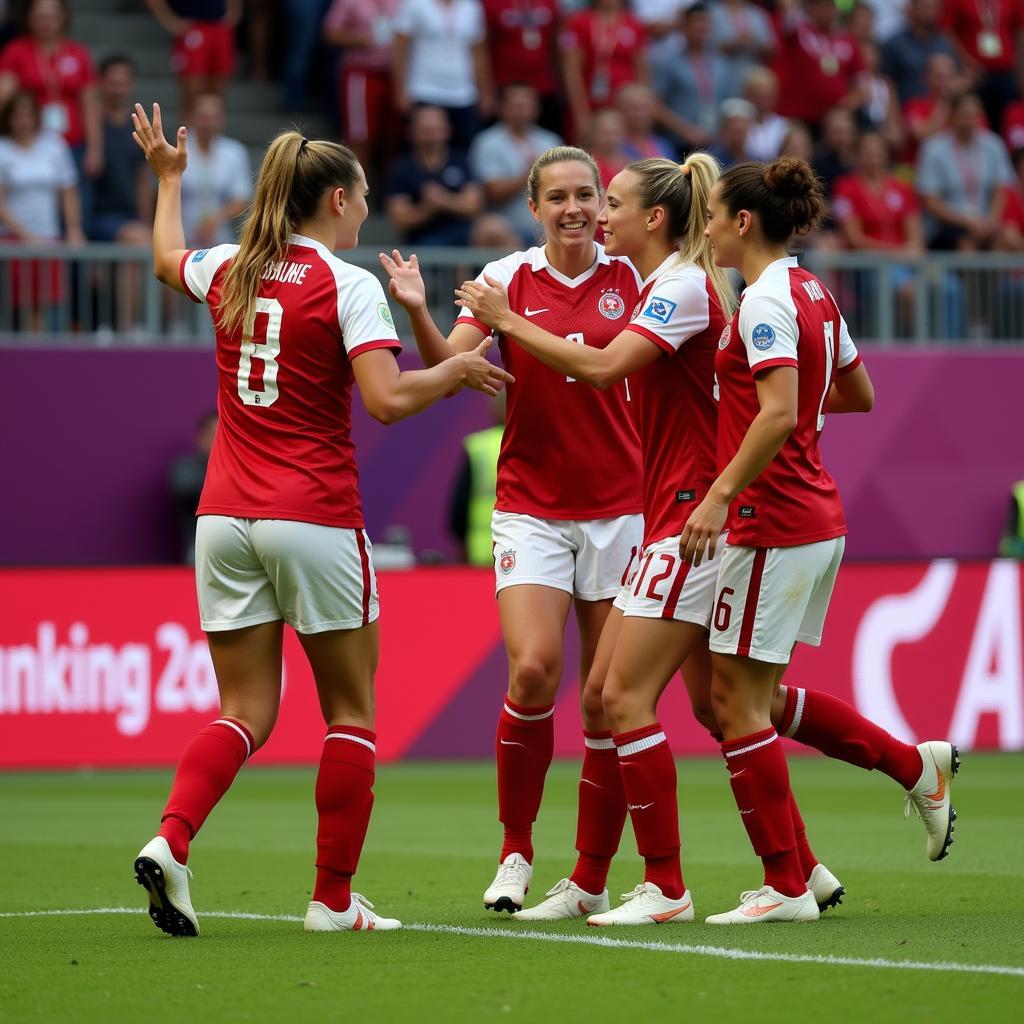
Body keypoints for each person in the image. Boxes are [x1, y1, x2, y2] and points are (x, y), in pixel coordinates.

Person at [128, 101, 510, 937]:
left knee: (244, 710)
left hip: (224, 518)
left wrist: (168, 180)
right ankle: (333, 901)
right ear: (335, 201)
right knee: (349, 713)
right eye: (364, 193)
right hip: (314, 516)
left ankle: (172, 837)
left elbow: (163, 260)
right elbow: (384, 401)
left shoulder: (233, 265)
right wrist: (458, 372)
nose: (369, 205)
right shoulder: (347, 283)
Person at [687, 156, 959, 923]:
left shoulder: (766, 300)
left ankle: (784, 886)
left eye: (712, 215)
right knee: (758, 699)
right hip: (810, 519)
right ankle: (914, 766)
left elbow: (776, 413)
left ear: (743, 223)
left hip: (772, 521)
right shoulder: (812, 289)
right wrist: (794, 413)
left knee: (734, 706)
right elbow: (858, 392)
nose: (706, 228)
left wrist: (719, 493)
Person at [380, 145, 644, 915]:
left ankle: (590, 876)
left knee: (605, 700)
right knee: (531, 670)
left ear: (604, 204)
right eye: (556, 196)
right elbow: (448, 370)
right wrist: (420, 311)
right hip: (531, 505)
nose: (573, 208)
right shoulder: (505, 279)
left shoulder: (636, 276)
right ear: (534, 207)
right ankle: (515, 853)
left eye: (585, 195)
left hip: (624, 510)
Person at [0, 89, 82, 330]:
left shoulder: (54, 145)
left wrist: (74, 229)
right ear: (9, 119)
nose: (23, 122)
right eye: (18, 116)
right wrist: (25, 236)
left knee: (46, 305)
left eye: (28, 115)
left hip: (49, 239)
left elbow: (68, 191)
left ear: (37, 117)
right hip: (12, 241)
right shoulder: (2, 149)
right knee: (18, 307)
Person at [386, 104, 519, 248]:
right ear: (411, 132)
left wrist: (442, 200)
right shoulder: (401, 167)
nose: (431, 135)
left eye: (436, 129)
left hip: (465, 232)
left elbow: (475, 204)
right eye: (425, 130)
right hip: (422, 239)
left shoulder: (460, 160)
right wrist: (426, 209)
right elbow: (399, 217)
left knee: (494, 226)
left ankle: (523, 270)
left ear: (448, 130)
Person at [0, 0, 101, 180]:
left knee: (76, 201)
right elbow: (4, 100)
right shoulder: (15, 51)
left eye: (51, 16)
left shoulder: (78, 53)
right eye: (40, 16)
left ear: (63, 18)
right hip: (29, 143)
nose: (46, 21)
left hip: (73, 143)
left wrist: (94, 148)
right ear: (29, 19)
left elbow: (90, 105)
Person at [391, 0, 494, 152]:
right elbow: (400, 48)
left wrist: (485, 92)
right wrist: (400, 90)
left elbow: (478, 52)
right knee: (422, 147)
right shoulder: (415, 4)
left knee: (464, 148)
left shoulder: (471, 6)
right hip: (425, 89)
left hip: (463, 92)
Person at [917, 90, 1015, 250]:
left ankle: (999, 276)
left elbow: (1000, 191)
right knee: (967, 243)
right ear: (953, 116)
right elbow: (931, 201)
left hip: (984, 222)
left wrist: (990, 220)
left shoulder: (993, 145)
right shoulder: (933, 148)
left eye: (974, 115)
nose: (970, 121)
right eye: (965, 115)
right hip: (947, 224)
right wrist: (967, 222)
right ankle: (969, 276)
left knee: (1006, 238)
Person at [468, 83, 562, 246]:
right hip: (509, 228)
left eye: (528, 105)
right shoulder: (488, 142)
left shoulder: (551, 141)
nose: (523, 111)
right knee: (490, 228)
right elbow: (493, 193)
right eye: (517, 106)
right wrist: (531, 173)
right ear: (502, 108)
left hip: (548, 227)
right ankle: (519, 271)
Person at [322, 0, 400, 184]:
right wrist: (358, 39)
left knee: (394, 135)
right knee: (360, 136)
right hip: (362, 72)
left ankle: (392, 192)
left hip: (396, 75)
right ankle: (360, 195)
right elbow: (329, 32)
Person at [560, 0, 649, 144]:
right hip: (589, 104)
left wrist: (641, 111)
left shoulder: (634, 24)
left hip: (623, 109)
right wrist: (581, 115)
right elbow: (571, 72)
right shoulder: (579, 22)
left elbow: (642, 72)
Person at [772, 0, 865, 134]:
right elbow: (788, 8)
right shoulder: (799, 30)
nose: (827, 10)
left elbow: (861, 84)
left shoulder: (848, 40)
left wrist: (845, 107)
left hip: (833, 121)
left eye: (831, 5)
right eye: (821, 4)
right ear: (810, 8)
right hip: (798, 117)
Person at [652, 3, 731, 152]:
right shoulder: (669, 63)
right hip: (679, 144)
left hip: (714, 144)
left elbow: (727, 103)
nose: (701, 28)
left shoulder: (721, 63)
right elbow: (655, 104)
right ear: (684, 27)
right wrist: (686, 131)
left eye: (705, 22)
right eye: (696, 22)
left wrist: (722, 133)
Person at [145, 1, 240, 119]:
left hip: (220, 26)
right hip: (192, 26)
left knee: (218, 92)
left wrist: (234, 9)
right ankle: (187, 135)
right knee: (192, 90)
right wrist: (169, 20)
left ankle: (213, 136)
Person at [179, 92, 251, 248]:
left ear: (221, 119)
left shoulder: (235, 152)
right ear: (192, 117)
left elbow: (242, 199)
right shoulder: (179, 150)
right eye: (203, 116)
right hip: (182, 238)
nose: (208, 123)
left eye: (213, 117)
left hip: (219, 240)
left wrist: (216, 219)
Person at [483, 0, 562, 135]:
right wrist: (486, 90)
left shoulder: (550, 3)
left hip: (544, 85)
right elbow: (484, 48)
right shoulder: (492, 3)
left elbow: (556, 44)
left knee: (546, 138)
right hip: (505, 84)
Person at [882, 0, 958, 105]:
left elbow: (958, 77)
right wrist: (893, 117)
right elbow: (887, 82)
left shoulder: (946, 43)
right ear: (912, 9)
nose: (931, 13)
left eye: (935, 8)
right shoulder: (894, 44)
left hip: (940, 113)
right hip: (905, 112)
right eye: (926, 7)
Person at [170, 410, 218, 564]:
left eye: (223, 434)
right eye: (212, 434)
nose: (217, 440)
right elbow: (185, 489)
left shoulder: (244, 468)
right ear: (200, 437)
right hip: (198, 548)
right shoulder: (185, 468)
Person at [616, 82, 675, 162]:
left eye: (645, 108)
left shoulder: (663, 144)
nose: (640, 114)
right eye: (633, 108)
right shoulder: (614, 144)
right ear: (621, 110)